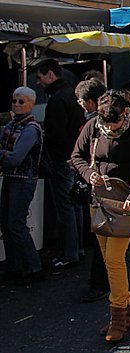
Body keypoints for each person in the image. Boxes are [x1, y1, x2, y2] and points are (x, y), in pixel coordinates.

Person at [71, 90, 130, 343]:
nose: (111, 128)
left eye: (116, 123)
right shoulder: (93, 126)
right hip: (99, 202)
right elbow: (77, 156)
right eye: (107, 123)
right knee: (108, 259)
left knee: (113, 259)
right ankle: (128, 310)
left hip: (125, 204)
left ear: (125, 113)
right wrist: (88, 173)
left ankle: (118, 316)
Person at [35, 58, 85, 269]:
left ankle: (70, 252)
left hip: (62, 159)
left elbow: (56, 133)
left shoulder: (58, 99)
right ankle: (77, 249)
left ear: (50, 75)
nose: (37, 82)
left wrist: (51, 154)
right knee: (74, 206)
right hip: (73, 158)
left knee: (66, 206)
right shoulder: (71, 95)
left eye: (39, 77)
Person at [0, 87, 44, 285]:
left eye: (21, 101)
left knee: (16, 224)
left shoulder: (31, 128)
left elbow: (15, 158)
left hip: (24, 179)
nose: (17, 105)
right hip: (11, 178)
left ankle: (34, 267)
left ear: (31, 104)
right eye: (14, 101)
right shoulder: (11, 125)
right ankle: (15, 266)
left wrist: (4, 155)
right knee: (7, 224)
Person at [74, 78, 110, 304]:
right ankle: (107, 284)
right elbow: (77, 156)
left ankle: (104, 285)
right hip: (99, 188)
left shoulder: (96, 124)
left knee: (103, 240)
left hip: (107, 191)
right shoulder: (92, 125)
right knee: (102, 240)